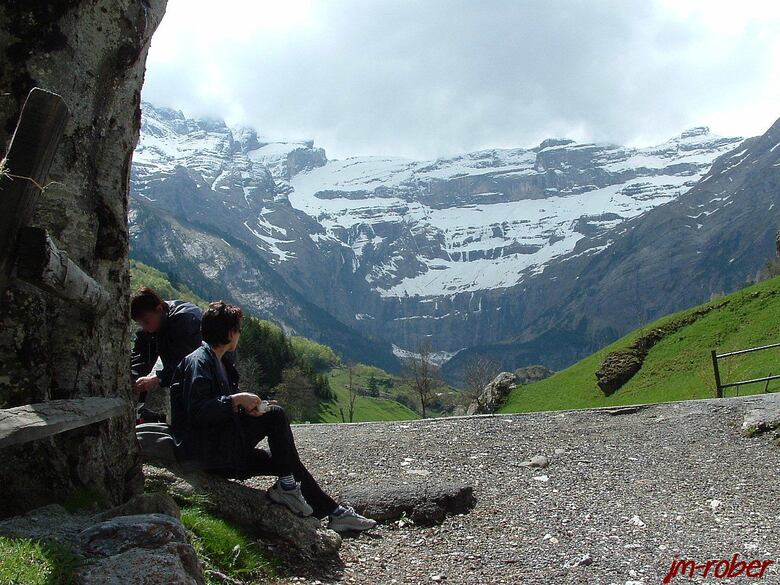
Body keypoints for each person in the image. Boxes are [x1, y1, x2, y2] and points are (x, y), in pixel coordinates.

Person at [169, 301, 376, 533]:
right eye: (239, 329)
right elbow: (198, 412)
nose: (240, 335)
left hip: (218, 449)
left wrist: (247, 407)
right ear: (230, 333)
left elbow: (217, 410)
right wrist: (237, 400)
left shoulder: (219, 361)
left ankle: (333, 512)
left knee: (285, 459)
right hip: (205, 453)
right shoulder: (199, 362)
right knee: (276, 417)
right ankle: (291, 491)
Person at [130, 287, 204, 423]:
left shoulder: (185, 321)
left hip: (204, 378)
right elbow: (142, 355)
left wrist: (158, 379)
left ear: (159, 309)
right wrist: (134, 378)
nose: (145, 327)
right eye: (140, 323)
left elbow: (187, 364)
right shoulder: (152, 323)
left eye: (146, 321)